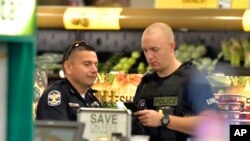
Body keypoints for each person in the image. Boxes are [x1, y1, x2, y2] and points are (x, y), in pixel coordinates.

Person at [132, 23, 219, 141]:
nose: (149, 56)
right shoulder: (145, 84)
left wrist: (163, 120)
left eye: (154, 49)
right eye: (145, 50)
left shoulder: (193, 79)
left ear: (171, 47)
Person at [36, 40, 101, 121]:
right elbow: (57, 132)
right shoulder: (56, 95)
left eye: (96, 64)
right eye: (87, 64)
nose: (94, 70)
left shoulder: (91, 99)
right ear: (68, 67)